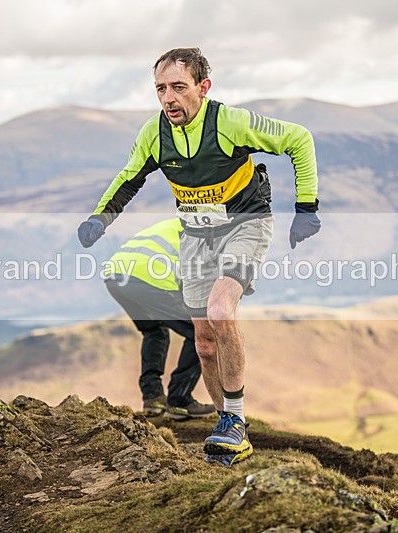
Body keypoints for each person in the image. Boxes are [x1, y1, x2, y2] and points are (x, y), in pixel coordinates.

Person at [77, 47, 320, 466]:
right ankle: (228, 427)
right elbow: (128, 178)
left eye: (178, 87)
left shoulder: (230, 122)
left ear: (202, 88)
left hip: (246, 223)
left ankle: (237, 420)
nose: (168, 98)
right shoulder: (154, 134)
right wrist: (100, 220)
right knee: (205, 342)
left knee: (221, 309)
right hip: (196, 236)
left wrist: (307, 208)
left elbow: (298, 139)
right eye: (160, 89)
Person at [103, 217, 215, 420]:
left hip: (115, 276)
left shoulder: (176, 223)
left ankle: (152, 397)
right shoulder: (205, 232)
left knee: (154, 331)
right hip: (147, 278)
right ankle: (179, 402)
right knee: (202, 333)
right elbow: (192, 282)